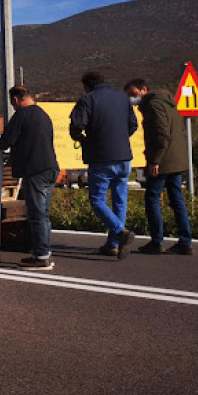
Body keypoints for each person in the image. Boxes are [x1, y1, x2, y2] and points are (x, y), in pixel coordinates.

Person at [69, 71, 138, 259]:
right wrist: (119, 139)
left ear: (86, 85)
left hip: (101, 157)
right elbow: (133, 125)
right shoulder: (122, 99)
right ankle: (113, 245)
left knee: (97, 200)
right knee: (120, 201)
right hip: (124, 157)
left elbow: (77, 125)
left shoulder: (88, 99)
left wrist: (82, 139)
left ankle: (120, 232)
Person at [124, 79, 193, 255]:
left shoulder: (153, 106)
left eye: (133, 94)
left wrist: (155, 161)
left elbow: (161, 136)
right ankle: (185, 241)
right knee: (177, 199)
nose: (132, 98)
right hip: (176, 159)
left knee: (152, 199)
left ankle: (157, 241)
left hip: (163, 161)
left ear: (144, 89)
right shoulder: (168, 103)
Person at [0, 86, 59, 270]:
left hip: (35, 170)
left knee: (36, 214)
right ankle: (44, 251)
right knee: (43, 214)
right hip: (50, 168)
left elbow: (5, 141)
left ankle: (41, 256)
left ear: (15, 100)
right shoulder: (42, 115)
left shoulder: (22, 115)